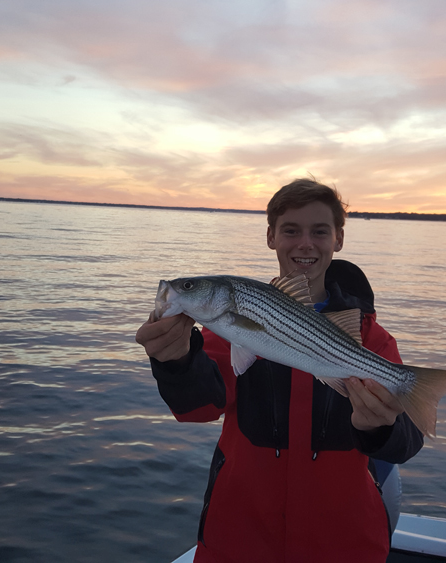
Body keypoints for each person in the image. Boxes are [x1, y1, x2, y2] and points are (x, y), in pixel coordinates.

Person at [135, 179, 423, 562]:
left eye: (319, 231)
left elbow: (407, 443)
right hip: (239, 541)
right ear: (271, 236)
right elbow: (198, 408)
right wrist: (175, 362)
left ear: (338, 239)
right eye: (291, 230)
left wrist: (380, 426)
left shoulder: (368, 335)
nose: (305, 243)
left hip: (344, 545)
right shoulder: (226, 327)